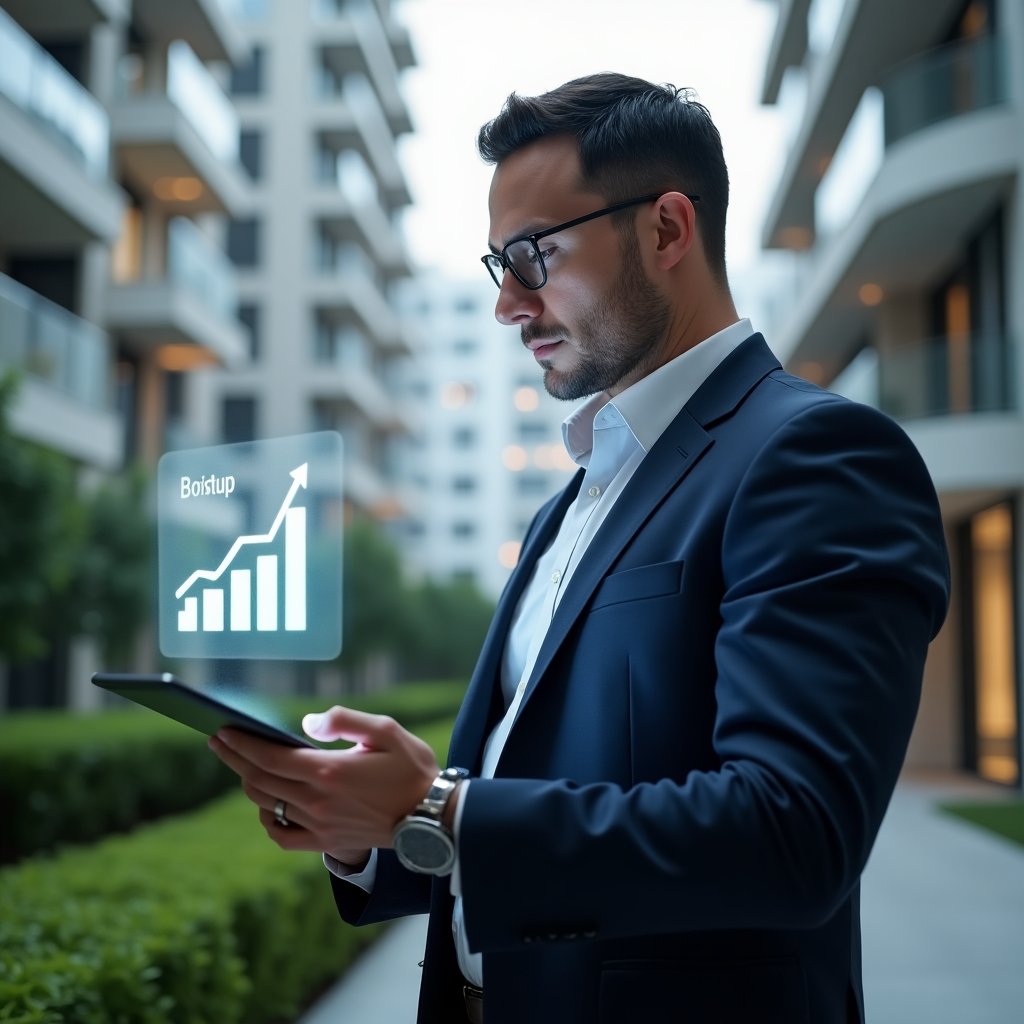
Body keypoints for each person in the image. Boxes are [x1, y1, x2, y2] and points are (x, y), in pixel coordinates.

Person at [209, 73, 950, 1024]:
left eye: (533, 256)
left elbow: (792, 833)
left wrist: (436, 810)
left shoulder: (818, 456)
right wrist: (371, 824)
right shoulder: (575, 499)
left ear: (667, 230)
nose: (509, 306)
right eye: (497, 267)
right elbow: (505, 800)